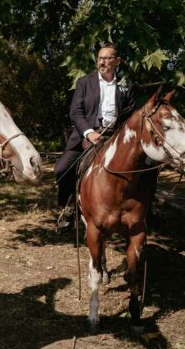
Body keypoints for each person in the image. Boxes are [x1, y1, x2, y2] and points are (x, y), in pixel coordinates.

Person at [53, 42, 136, 227]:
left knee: (146, 166)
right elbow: (75, 111)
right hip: (86, 136)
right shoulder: (84, 82)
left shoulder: (126, 85)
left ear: (118, 61)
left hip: (116, 138)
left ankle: (143, 210)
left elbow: (130, 114)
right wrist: (89, 132)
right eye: (100, 58)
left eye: (107, 58)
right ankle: (70, 206)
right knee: (61, 169)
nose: (102, 62)